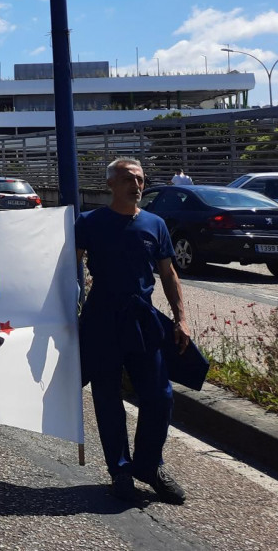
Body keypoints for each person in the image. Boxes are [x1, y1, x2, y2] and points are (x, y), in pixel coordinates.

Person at [77, 157, 190, 505]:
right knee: (108, 398)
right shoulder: (89, 222)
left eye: (140, 179)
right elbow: (68, 267)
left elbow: (169, 274)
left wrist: (181, 318)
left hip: (142, 320)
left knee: (160, 396)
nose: (137, 185)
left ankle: (149, 466)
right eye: (128, 179)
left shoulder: (155, 225)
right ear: (111, 184)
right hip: (101, 319)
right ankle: (121, 471)